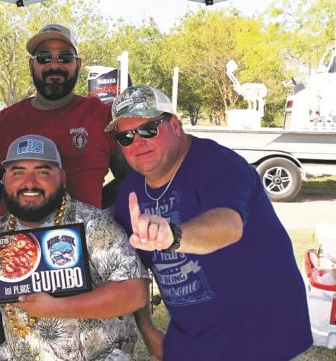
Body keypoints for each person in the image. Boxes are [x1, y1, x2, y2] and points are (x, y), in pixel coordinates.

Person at [108, 86, 313, 360]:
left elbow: (227, 225)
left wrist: (173, 236)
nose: (138, 142)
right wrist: (147, 327)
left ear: (175, 125)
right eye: (125, 136)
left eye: (148, 129)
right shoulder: (130, 193)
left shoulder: (219, 165)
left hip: (261, 336)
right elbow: (132, 270)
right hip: (193, 341)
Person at [0, 24, 131, 357]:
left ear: (77, 65)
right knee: (8, 344)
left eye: (64, 57)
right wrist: (20, 206)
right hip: (16, 259)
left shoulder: (100, 115)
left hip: (87, 255)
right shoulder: (3, 122)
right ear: (32, 66)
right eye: (45, 57)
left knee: (89, 345)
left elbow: (130, 177)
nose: (54, 65)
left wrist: (101, 211)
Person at [0, 134, 149, 360]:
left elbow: (134, 293)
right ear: (4, 180)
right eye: (18, 172)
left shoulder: (93, 224)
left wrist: (57, 307)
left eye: (43, 172)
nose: (29, 182)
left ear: (62, 177)